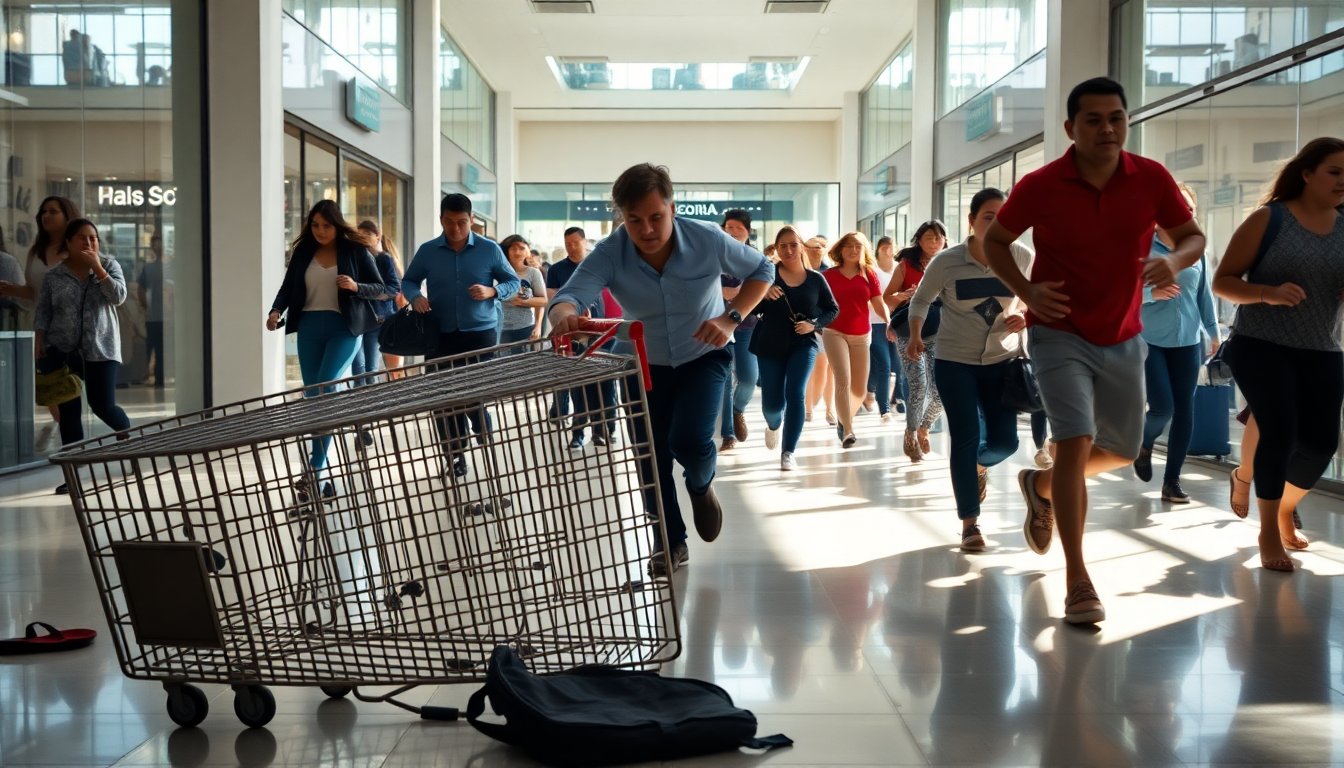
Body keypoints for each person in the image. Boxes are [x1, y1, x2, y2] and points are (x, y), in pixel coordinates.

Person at [983, 76, 1206, 624]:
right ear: (1071, 128)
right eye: (1094, 120)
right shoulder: (1041, 184)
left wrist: (1173, 261)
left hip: (1124, 335)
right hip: (1058, 331)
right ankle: (1078, 580)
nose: (1107, 128)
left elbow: (1193, 237)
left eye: (1116, 118)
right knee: (1074, 440)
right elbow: (996, 240)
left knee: (1124, 449)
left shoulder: (1150, 178)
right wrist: (1026, 289)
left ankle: (1040, 484)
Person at [548, 163, 773, 577]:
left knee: (689, 441)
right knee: (649, 457)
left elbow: (762, 270)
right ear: (622, 217)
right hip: (643, 364)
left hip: (703, 355)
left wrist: (731, 317)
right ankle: (669, 542)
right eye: (634, 220)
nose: (647, 229)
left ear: (672, 208)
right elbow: (569, 297)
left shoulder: (706, 237)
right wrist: (564, 316)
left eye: (655, 216)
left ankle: (701, 486)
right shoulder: (610, 252)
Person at [1211, 136, 1344, 572]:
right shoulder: (1270, 219)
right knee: (1280, 434)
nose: (1343, 181)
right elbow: (1223, 282)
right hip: (1261, 345)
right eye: (1335, 172)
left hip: (1322, 346)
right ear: (1306, 174)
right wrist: (1267, 293)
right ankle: (1268, 529)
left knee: (1321, 445)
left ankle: (1285, 507)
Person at [903, 188, 1033, 551]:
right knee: (965, 437)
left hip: (1002, 361)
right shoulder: (947, 262)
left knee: (1006, 442)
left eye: (1005, 218)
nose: (998, 224)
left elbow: (1033, 297)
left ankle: (978, 466)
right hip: (954, 361)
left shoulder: (1022, 257)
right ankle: (970, 524)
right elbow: (921, 300)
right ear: (972, 221)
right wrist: (915, 335)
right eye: (990, 217)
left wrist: (1024, 314)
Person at [266, 200, 389, 497]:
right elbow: (288, 287)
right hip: (309, 328)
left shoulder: (355, 250)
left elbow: (382, 288)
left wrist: (356, 286)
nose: (320, 231)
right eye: (315, 225)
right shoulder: (303, 252)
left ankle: (315, 469)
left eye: (326, 225)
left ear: (337, 225)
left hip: (344, 328)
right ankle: (321, 478)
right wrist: (275, 310)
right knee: (314, 397)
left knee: (325, 387)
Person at [403, 194, 520, 478]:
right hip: (439, 335)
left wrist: (493, 291)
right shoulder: (428, 251)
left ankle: (481, 426)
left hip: (480, 334)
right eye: (449, 222)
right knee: (442, 397)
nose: (456, 229)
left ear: (472, 220)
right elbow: (408, 281)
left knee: (472, 393)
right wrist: (415, 297)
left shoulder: (489, 249)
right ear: (440, 220)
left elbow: (513, 282)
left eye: (462, 222)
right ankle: (455, 454)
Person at [1132, 183, 1220, 503]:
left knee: (1185, 410)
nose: (1184, 213)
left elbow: (1203, 294)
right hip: (1149, 339)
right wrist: (1150, 294)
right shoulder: (1143, 249)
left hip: (1188, 341)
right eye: (1178, 207)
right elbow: (1121, 293)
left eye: (1189, 209)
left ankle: (1172, 481)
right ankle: (1143, 443)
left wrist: (1213, 332)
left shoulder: (1196, 252)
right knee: (1162, 407)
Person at [34, 219, 131, 494]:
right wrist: (39, 340)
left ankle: (128, 436)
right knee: (69, 415)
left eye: (93, 238)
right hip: (62, 351)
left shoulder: (109, 265)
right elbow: (44, 311)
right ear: (68, 242)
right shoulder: (54, 276)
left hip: (101, 349)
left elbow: (119, 297)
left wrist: (98, 268)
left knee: (103, 406)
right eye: (82, 238)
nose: (89, 243)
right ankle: (73, 477)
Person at [750, 225, 838, 470]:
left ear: (802, 247)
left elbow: (832, 309)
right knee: (772, 405)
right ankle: (773, 425)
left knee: (796, 393)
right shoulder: (767, 277)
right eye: (783, 246)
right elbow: (751, 309)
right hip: (770, 343)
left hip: (803, 344)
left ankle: (788, 451)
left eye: (793, 245)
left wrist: (814, 325)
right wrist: (763, 294)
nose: (788, 250)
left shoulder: (816, 279)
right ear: (777, 249)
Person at [6, 196, 81, 451]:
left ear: (67, 215)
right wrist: (12, 289)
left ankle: (78, 453)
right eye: (43, 212)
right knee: (54, 392)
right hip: (43, 332)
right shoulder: (36, 251)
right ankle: (71, 451)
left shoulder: (75, 248)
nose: (46, 216)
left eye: (53, 211)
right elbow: (34, 292)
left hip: (72, 333)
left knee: (72, 398)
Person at [884, 220, 948, 462]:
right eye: (929, 237)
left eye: (939, 237)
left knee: (941, 390)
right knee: (918, 385)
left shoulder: (950, 263)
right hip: (909, 333)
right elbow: (887, 298)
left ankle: (924, 427)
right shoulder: (906, 265)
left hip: (941, 333)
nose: (935, 242)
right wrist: (904, 296)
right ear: (919, 240)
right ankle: (910, 435)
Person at [822, 232, 890, 448]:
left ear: (864, 250)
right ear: (840, 249)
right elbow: (819, 303)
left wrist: (889, 321)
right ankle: (848, 430)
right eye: (849, 246)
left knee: (860, 390)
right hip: (834, 332)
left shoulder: (869, 274)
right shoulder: (828, 275)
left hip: (861, 334)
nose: (853, 250)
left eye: (858, 246)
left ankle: (843, 420)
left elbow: (878, 302)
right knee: (843, 379)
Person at [717, 209, 760, 450]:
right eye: (729, 227)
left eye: (738, 228)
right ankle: (728, 434)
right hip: (719, 326)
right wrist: (720, 291)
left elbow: (763, 287)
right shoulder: (714, 255)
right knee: (724, 379)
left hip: (746, 327)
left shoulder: (754, 259)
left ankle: (737, 409)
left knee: (749, 378)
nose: (733, 232)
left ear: (748, 232)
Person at [544, 226, 593, 424]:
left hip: (594, 330)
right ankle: (559, 412)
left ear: (585, 242)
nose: (571, 247)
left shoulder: (595, 266)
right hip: (565, 328)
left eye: (575, 243)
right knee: (563, 373)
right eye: (567, 244)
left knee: (590, 380)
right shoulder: (556, 269)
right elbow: (552, 299)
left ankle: (593, 424)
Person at [354, 219, 405, 376]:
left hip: (378, 318)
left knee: (372, 368)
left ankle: (375, 392)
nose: (363, 237)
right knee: (359, 368)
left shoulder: (384, 259)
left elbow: (394, 288)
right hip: (358, 318)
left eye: (367, 233)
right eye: (360, 234)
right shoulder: (355, 258)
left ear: (378, 236)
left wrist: (372, 292)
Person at [864, 235, 902, 422]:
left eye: (891, 246)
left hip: (897, 323)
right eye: (884, 247)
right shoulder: (872, 270)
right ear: (877, 250)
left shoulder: (899, 268)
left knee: (898, 365)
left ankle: (890, 397)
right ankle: (884, 410)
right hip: (875, 323)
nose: (887, 250)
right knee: (884, 365)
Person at [802, 235, 836, 424]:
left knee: (830, 369)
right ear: (805, 249)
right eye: (812, 247)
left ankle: (829, 409)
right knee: (816, 367)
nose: (817, 250)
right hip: (808, 325)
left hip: (829, 324)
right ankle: (809, 407)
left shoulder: (829, 272)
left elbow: (833, 302)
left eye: (820, 247)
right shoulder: (801, 271)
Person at [497, 234, 546, 346]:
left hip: (525, 328)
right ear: (506, 250)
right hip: (500, 329)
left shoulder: (533, 273)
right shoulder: (497, 272)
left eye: (522, 248)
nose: (517, 252)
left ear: (527, 251)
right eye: (513, 249)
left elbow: (542, 301)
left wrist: (538, 326)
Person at [137, 234, 168, 389]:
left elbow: (140, 289)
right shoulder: (150, 268)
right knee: (155, 346)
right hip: (155, 315)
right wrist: (145, 307)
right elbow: (141, 289)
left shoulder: (166, 267)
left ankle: (157, 377)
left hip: (163, 315)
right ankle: (153, 376)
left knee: (157, 347)